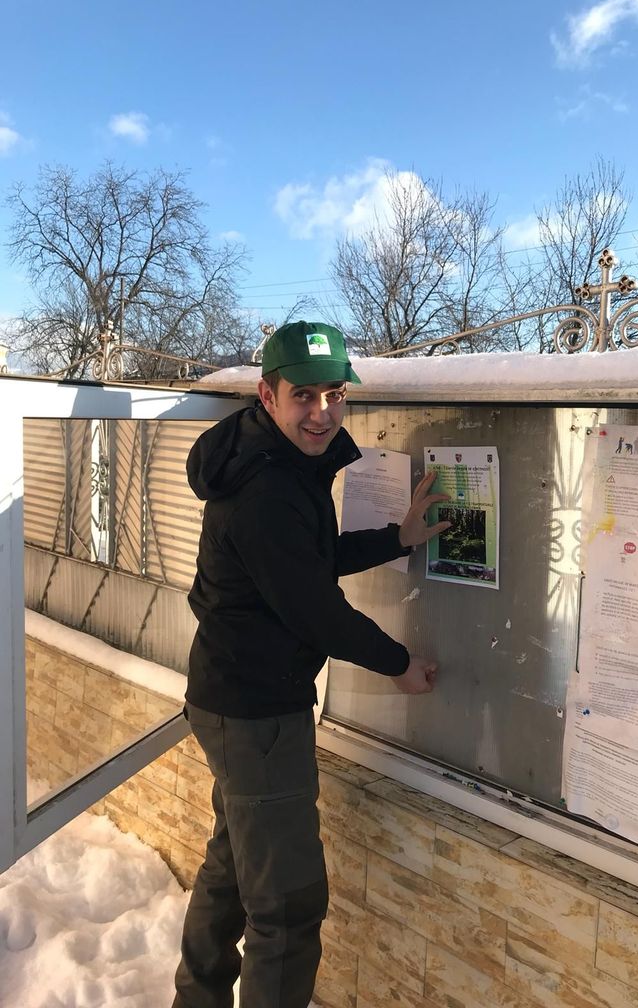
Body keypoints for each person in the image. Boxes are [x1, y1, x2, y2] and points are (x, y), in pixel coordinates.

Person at [172, 321, 449, 1008]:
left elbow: (305, 559)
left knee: (233, 869)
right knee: (287, 910)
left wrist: (396, 537)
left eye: (335, 394)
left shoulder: (268, 458)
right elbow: (313, 607)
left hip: (229, 697)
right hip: (257, 716)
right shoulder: (267, 488)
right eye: (305, 396)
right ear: (268, 395)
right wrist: (397, 662)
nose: (323, 412)